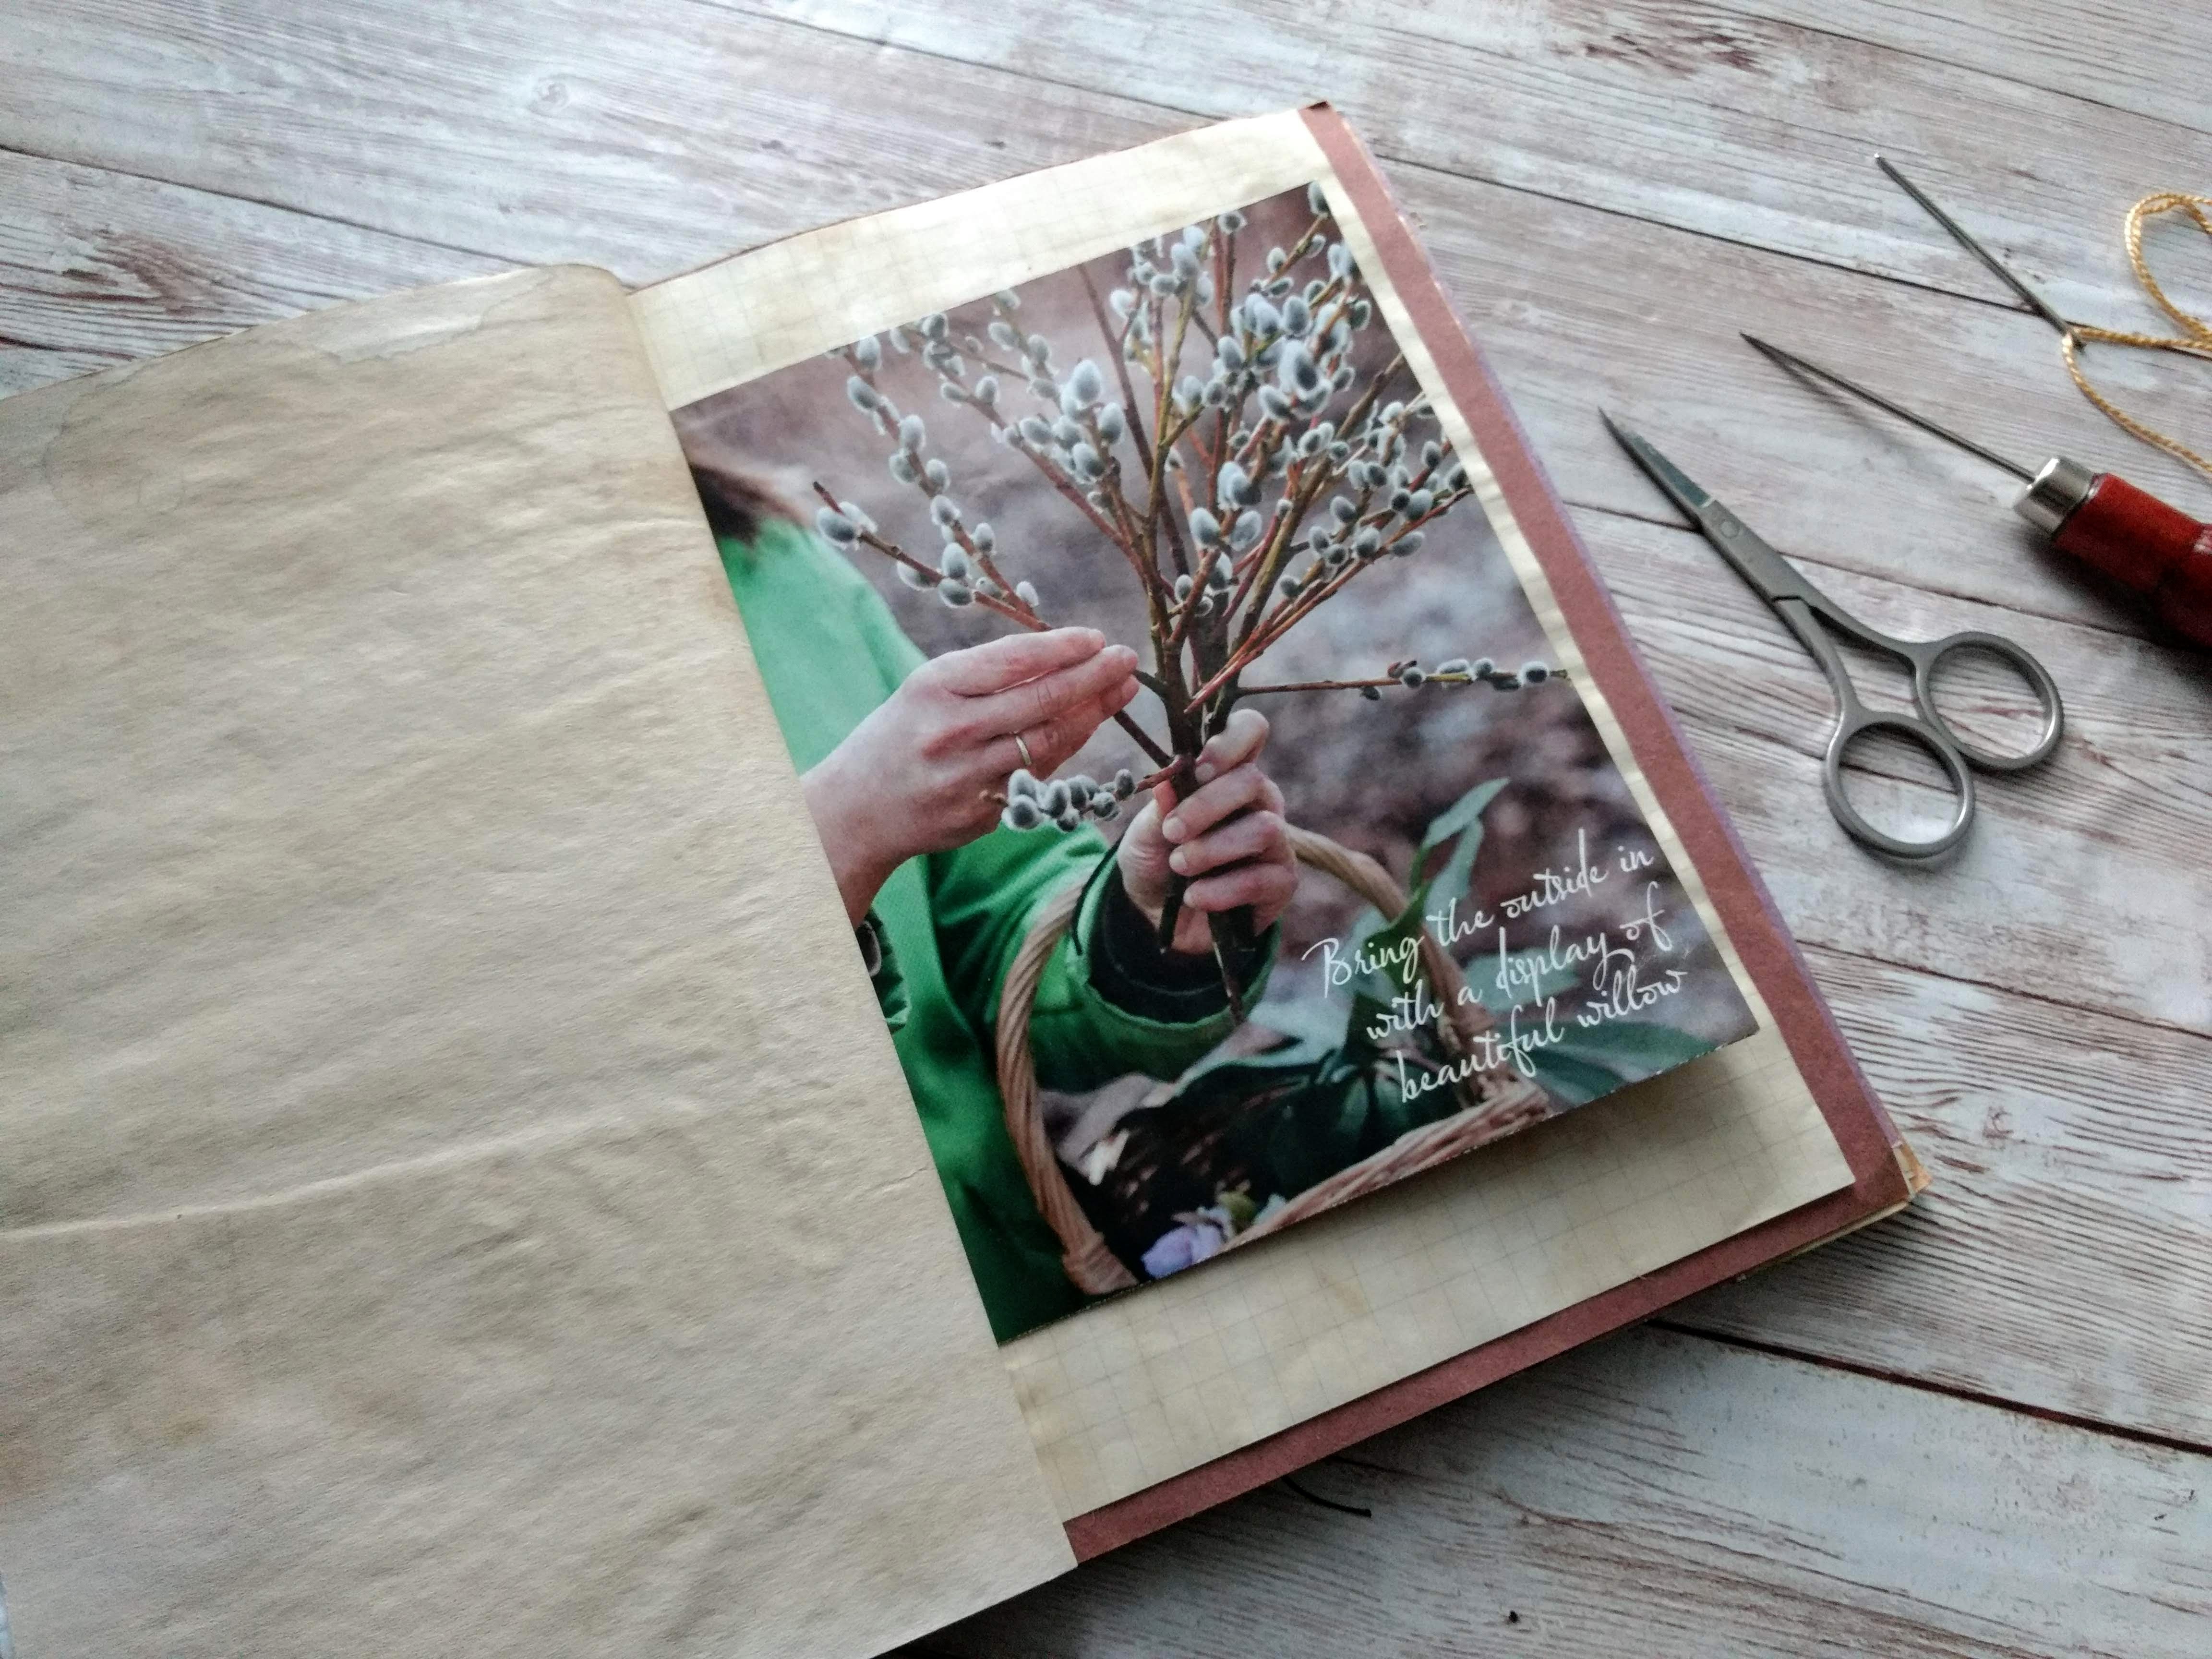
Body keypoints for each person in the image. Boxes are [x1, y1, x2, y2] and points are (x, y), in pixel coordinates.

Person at [695, 465, 1299, 1340]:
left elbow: (1000, 914)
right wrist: (830, 844)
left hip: (1018, 1291)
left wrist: (1147, 926)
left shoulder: (769, 557)